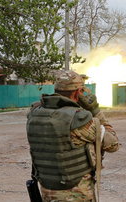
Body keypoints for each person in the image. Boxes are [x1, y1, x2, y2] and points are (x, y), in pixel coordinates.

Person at [26, 70, 119, 201]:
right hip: (77, 193)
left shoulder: (35, 113)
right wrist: (95, 111)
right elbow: (113, 144)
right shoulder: (78, 119)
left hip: (47, 191)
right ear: (77, 93)